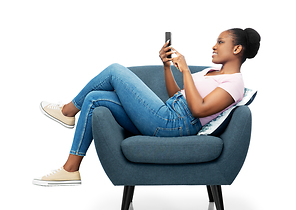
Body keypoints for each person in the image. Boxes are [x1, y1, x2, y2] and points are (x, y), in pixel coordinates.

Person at [32, 28, 261, 186]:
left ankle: (67, 111)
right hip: (169, 113)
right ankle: (71, 169)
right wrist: (166, 67)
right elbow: (176, 94)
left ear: (237, 49)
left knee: (115, 70)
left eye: (220, 42)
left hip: (175, 125)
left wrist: (185, 71)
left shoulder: (235, 83)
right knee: (95, 98)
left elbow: (199, 109)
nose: (214, 45)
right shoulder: (211, 72)